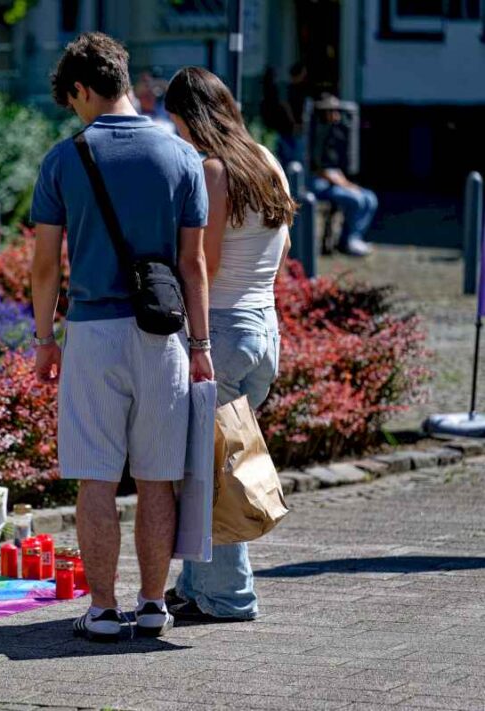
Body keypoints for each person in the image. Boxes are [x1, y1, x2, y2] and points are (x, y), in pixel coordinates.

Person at [30, 33, 212, 642]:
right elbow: (195, 266)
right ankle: (155, 603)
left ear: (82, 89)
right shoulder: (182, 157)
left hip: (92, 332)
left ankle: (104, 610)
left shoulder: (63, 160)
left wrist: (43, 339)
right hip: (165, 335)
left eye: (72, 101)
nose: (75, 112)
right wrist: (203, 347)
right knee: (158, 476)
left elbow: (45, 265)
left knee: (98, 478)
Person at [162, 66, 295, 622]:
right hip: (263, 330)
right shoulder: (266, 161)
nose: (175, 136)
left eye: (175, 124)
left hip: (223, 332)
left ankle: (228, 596)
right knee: (211, 461)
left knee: (214, 471)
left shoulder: (213, 172)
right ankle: (197, 587)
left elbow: (204, 266)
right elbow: (281, 250)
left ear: (192, 119)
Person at [310, 94, 377, 257]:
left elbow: (334, 169)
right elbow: (320, 170)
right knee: (356, 200)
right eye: (333, 111)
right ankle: (348, 241)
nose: (337, 115)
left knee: (370, 198)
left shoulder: (332, 134)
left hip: (335, 182)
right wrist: (346, 186)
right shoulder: (315, 135)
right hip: (318, 184)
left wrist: (348, 184)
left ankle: (354, 236)